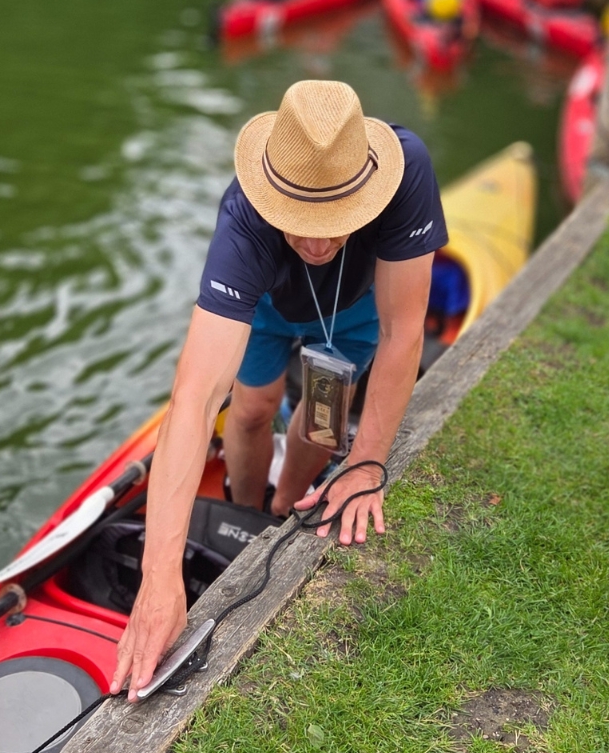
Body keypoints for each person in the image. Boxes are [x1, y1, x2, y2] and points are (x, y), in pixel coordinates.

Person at [110, 80, 447, 697]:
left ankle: (286, 505)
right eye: (300, 222)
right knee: (248, 412)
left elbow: (403, 334)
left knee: (321, 420)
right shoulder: (244, 215)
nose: (317, 244)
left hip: (351, 311)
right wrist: (160, 580)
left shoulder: (408, 172)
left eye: (335, 221)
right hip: (264, 308)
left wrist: (367, 463)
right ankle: (247, 510)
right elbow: (193, 401)